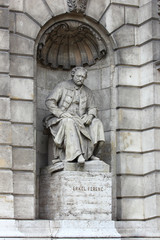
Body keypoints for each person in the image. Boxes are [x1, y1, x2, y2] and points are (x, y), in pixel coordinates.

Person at [44, 67, 105, 164]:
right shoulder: (62, 86)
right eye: (78, 76)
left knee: (97, 123)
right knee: (69, 122)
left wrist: (89, 116)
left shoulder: (87, 91)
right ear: (73, 75)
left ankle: (89, 154)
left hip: (80, 119)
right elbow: (50, 101)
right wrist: (61, 113)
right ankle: (77, 155)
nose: (80, 79)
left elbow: (92, 108)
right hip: (61, 119)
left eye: (83, 77)